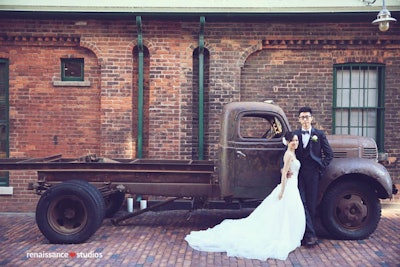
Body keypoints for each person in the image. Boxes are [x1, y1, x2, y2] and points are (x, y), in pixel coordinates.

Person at [185, 132, 305, 261]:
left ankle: (286, 233)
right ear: (287, 142)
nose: (295, 143)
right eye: (293, 141)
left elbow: (287, 170)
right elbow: (284, 174)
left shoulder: (292, 153)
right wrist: (282, 190)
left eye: (297, 140)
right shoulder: (288, 155)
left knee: (286, 211)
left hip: (293, 185)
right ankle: (282, 234)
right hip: (288, 186)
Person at [294, 107, 333, 247]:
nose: (305, 120)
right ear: (299, 119)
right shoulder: (295, 134)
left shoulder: (319, 135)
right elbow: (286, 152)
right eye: (302, 117)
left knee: (310, 203)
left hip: (313, 173)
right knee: (301, 202)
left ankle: (306, 233)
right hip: (298, 173)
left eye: (307, 117)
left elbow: (329, 155)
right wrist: (284, 168)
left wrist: (321, 166)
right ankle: (310, 235)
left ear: (311, 118)